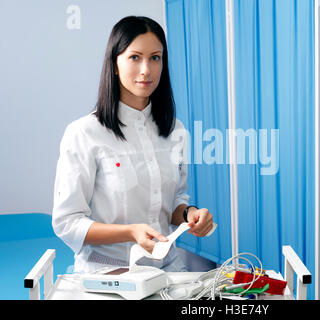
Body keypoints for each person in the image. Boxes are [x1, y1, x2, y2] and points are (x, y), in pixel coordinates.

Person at [52, 16, 213, 273]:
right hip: (108, 274)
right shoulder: (84, 133)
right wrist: (130, 232)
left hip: (168, 270)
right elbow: (67, 222)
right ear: (115, 64)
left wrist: (188, 215)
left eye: (155, 57)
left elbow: (172, 203)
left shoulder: (175, 130)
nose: (146, 70)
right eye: (135, 57)